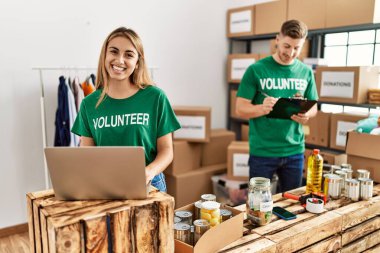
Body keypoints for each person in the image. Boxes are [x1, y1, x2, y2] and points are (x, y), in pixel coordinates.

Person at [71, 27, 181, 192]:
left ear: (137, 62)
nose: (120, 60)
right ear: (105, 56)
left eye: (129, 55)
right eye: (114, 52)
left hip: (149, 183)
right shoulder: (89, 103)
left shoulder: (156, 97)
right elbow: (87, 155)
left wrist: (148, 172)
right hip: (105, 185)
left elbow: (166, 151)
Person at [235, 20, 318, 192]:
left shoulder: (306, 72)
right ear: (277, 40)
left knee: (291, 205)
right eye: (287, 46)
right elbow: (240, 108)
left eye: (297, 48)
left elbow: (314, 107)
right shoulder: (256, 70)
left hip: (295, 151)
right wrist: (261, 108)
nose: (291, 53)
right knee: (257, 205)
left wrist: (307, 114)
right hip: (262, 151)